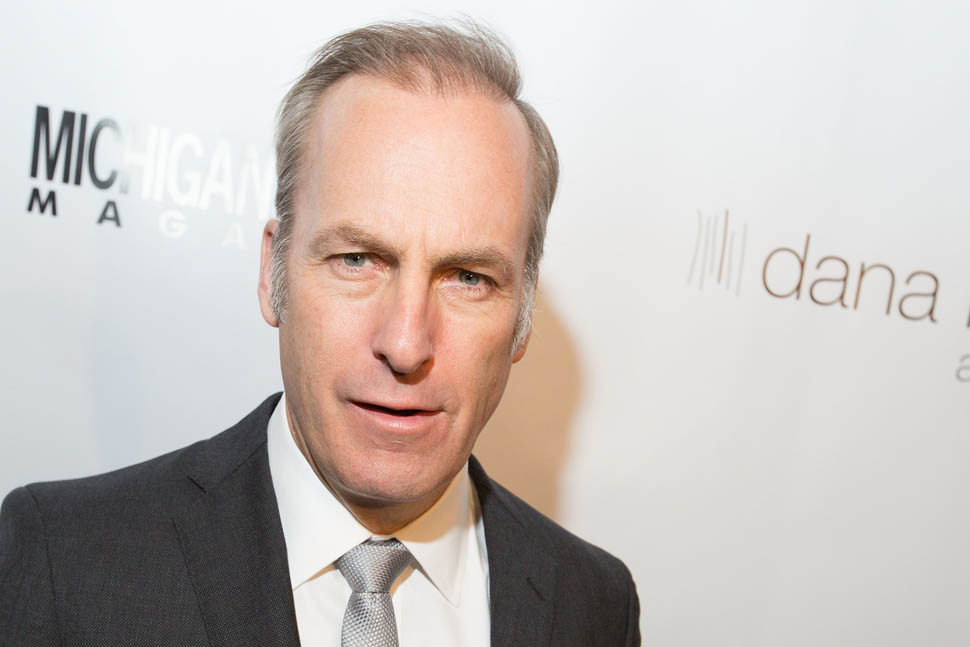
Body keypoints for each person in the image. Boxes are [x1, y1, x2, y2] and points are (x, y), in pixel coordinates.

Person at [0, 20, 640, 646]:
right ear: (272, 274)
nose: (406, 345)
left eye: (468, 277)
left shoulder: (595, 605)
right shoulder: (62, 560)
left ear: (522, 314)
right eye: (356, 260)